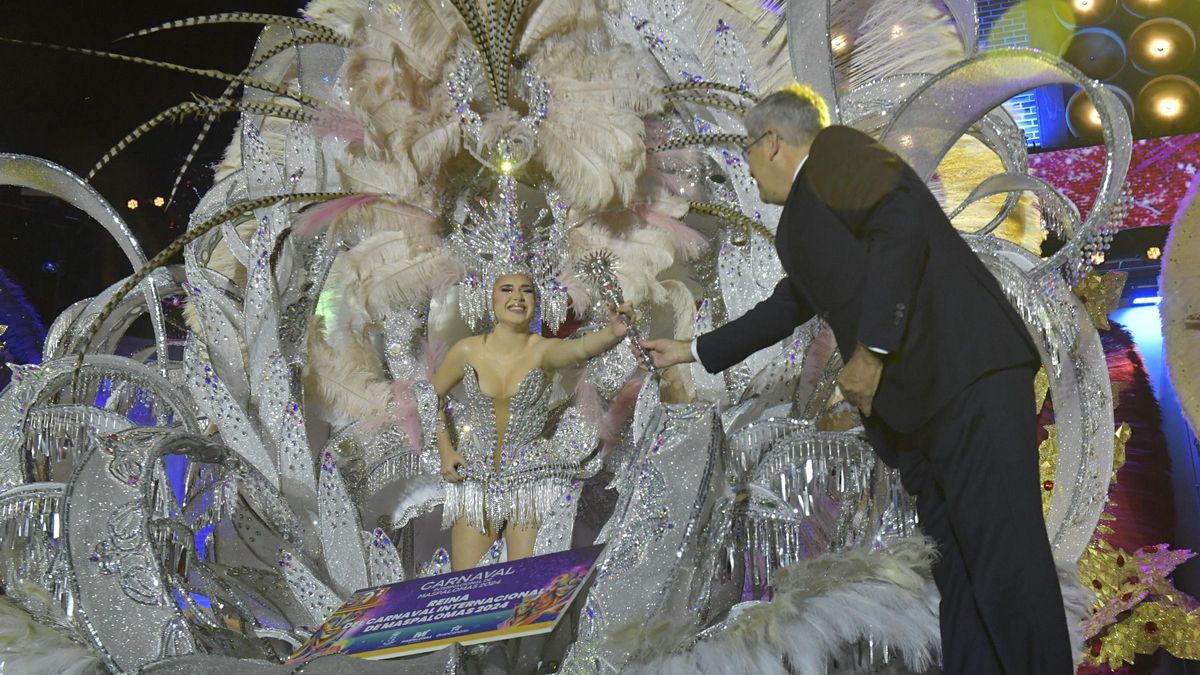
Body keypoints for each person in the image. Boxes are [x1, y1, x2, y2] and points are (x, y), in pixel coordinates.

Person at [641, 85, 1073, 674]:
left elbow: (901, 223)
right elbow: (790, 302)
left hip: (964, 377)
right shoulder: (803, 221)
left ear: (772, 140)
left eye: (746, 148)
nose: (745, 163)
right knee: (961, 572)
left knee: (1005, 561)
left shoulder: (836, 153)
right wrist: (691, 350)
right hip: (924, 412)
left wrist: (871, 350)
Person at [431, 272, 631, 571]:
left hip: (531, 479)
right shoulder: (467, 350)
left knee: (524, 586)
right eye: (507, 289)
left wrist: (614, 332)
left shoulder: (543, 350)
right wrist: (446, 449)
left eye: (526, 291)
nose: (517, 297)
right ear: (491, 298)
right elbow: (428, 397)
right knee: (466, 585)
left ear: (536, 302)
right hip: (474, 478)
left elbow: (581, 348)